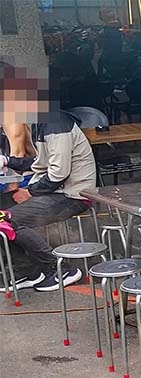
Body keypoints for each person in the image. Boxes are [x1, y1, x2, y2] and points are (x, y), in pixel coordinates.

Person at [0, 61, 97, 291]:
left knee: (6, 219)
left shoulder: (55, 122)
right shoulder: (37, 122)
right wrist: (7, 161)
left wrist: (29, 192)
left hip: (73, 195)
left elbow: (58, 174)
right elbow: (38, 162)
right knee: (3, 213)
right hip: (54, 191)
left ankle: (59, 268)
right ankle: (30, 271)